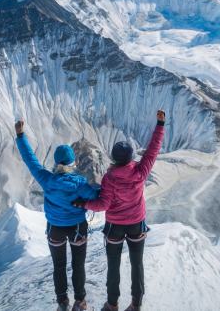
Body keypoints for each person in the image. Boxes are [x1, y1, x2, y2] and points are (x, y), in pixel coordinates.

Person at [73, 110, 166, 311]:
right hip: (136, 224)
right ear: (131, 157)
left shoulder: (110, 178)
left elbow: (103, 205)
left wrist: (83, 204)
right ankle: (136, 304)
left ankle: (112, 304)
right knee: (137, 264)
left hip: (115, 226)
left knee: (113, 266)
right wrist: (160, 125)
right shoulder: (141, 172)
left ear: (113, 158)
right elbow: (153, 150)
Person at [15, 119, 100, 311]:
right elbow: (96, 196)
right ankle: (80, 302)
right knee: (78, 265)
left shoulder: (47, 180)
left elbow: (31, 160)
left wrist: (21, 136)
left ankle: (62, 303)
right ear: (72, 162)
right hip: (78, 227)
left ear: (57, 162)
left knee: (59, 266)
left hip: (55, 229)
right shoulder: (79, 183)